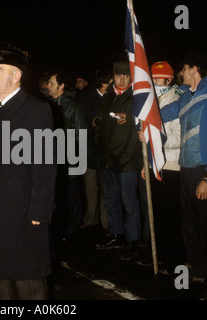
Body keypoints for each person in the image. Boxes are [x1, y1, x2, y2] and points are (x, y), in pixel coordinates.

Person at [0, 44, 56, 300]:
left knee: (28, 281)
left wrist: (39, 211)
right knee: (1, 283)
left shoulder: (36, 110)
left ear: (17, 75)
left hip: (21, 214)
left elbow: (45, 167)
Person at [159, 51, 207, 299]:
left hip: (205, 173)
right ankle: (197, 269)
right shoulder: (185, 99)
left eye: (184, 68)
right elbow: (160, 116)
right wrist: (136, 119)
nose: (181, 73)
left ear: (195, 70)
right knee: (189, 225)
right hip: (186, 171)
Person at [134, 61, 186, 274]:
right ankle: (159, 255)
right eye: (152, 79)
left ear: (169, 80)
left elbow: (177, 139)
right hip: (155, 165)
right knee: (157, 215)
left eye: (159, 79)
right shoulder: (151, 102)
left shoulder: (176, 101)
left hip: (172, 167)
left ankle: (175, 260)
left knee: (171, 216)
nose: (156, 83)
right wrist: (146, 163)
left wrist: (155, 137)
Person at [93, 61, 142, 261]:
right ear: (113, 77)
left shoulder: (135, 98)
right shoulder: (108, 97)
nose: (122, 79)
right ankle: (116, 234)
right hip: (108, 160)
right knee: (111, 199)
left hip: (127, 161)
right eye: (118, 75)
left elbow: (135, 132)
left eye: (126, 76)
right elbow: (104, 126)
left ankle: (133, 241)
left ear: (131, 77)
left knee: (129, 202)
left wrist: (124, 158)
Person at [47, 70, 87, 242]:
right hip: (54, 155)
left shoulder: (72, 105)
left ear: (61, 86)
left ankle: (72, 229)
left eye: (51, 83)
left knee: (72, 193)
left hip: (70, 155)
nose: (47, 86)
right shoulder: (49, 103)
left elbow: (80, 131)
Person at [77, 73, 112, 232]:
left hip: (108, 153)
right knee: (90, 188)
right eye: (112, 82)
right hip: (89, 152)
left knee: (107, 190)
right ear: (104, 83)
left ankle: (107, 224)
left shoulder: (113, 98)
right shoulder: (85, 100)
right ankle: (91, 219)